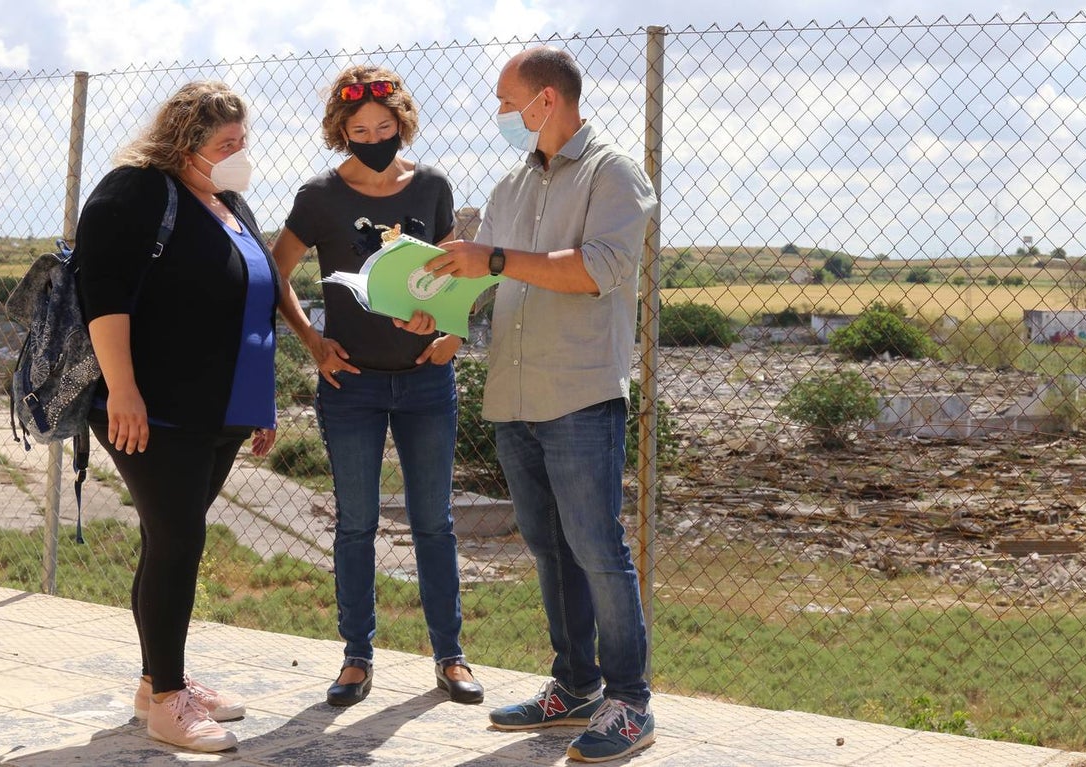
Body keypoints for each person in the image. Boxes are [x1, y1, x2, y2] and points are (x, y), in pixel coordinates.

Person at [427, 47, 658, 762]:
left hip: (580, 393)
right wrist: (435, 308)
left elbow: (596, 269)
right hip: (516, 396)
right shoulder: (511, 183)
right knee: (549, 547)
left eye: (506, 102)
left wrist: (489, 259)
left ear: (547, 100)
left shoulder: (613, 174)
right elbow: (481, 277)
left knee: (598, 548)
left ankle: (630, 701)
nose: (499, 115)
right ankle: (575, 684)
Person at [74, 81, 279, 753]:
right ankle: (167, 699)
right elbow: (102, 293)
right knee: (178, 541)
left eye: (243, 142)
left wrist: (260, 404)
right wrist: (122, 388)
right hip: (151, 409)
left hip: (217, 410)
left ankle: (157, 680)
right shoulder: (133, 191)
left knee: (171, 539)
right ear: (186, 143)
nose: (239, 154)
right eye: (226, 144)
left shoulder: (229, 202)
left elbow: (254, 302)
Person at [272, 65, 483, 708]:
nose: (373, 138)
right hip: (352, 385)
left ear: (402, 123)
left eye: (384, 127)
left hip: (426, 382)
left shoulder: (434, 187)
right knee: (357, 524)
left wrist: (453, 332)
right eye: (359, 129)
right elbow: (274, 273)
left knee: (434, 524)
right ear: (341, 131)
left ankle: (450, 658)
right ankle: (356, 660)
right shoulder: (317, 197)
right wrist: (312, 341)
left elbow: (456, 272)